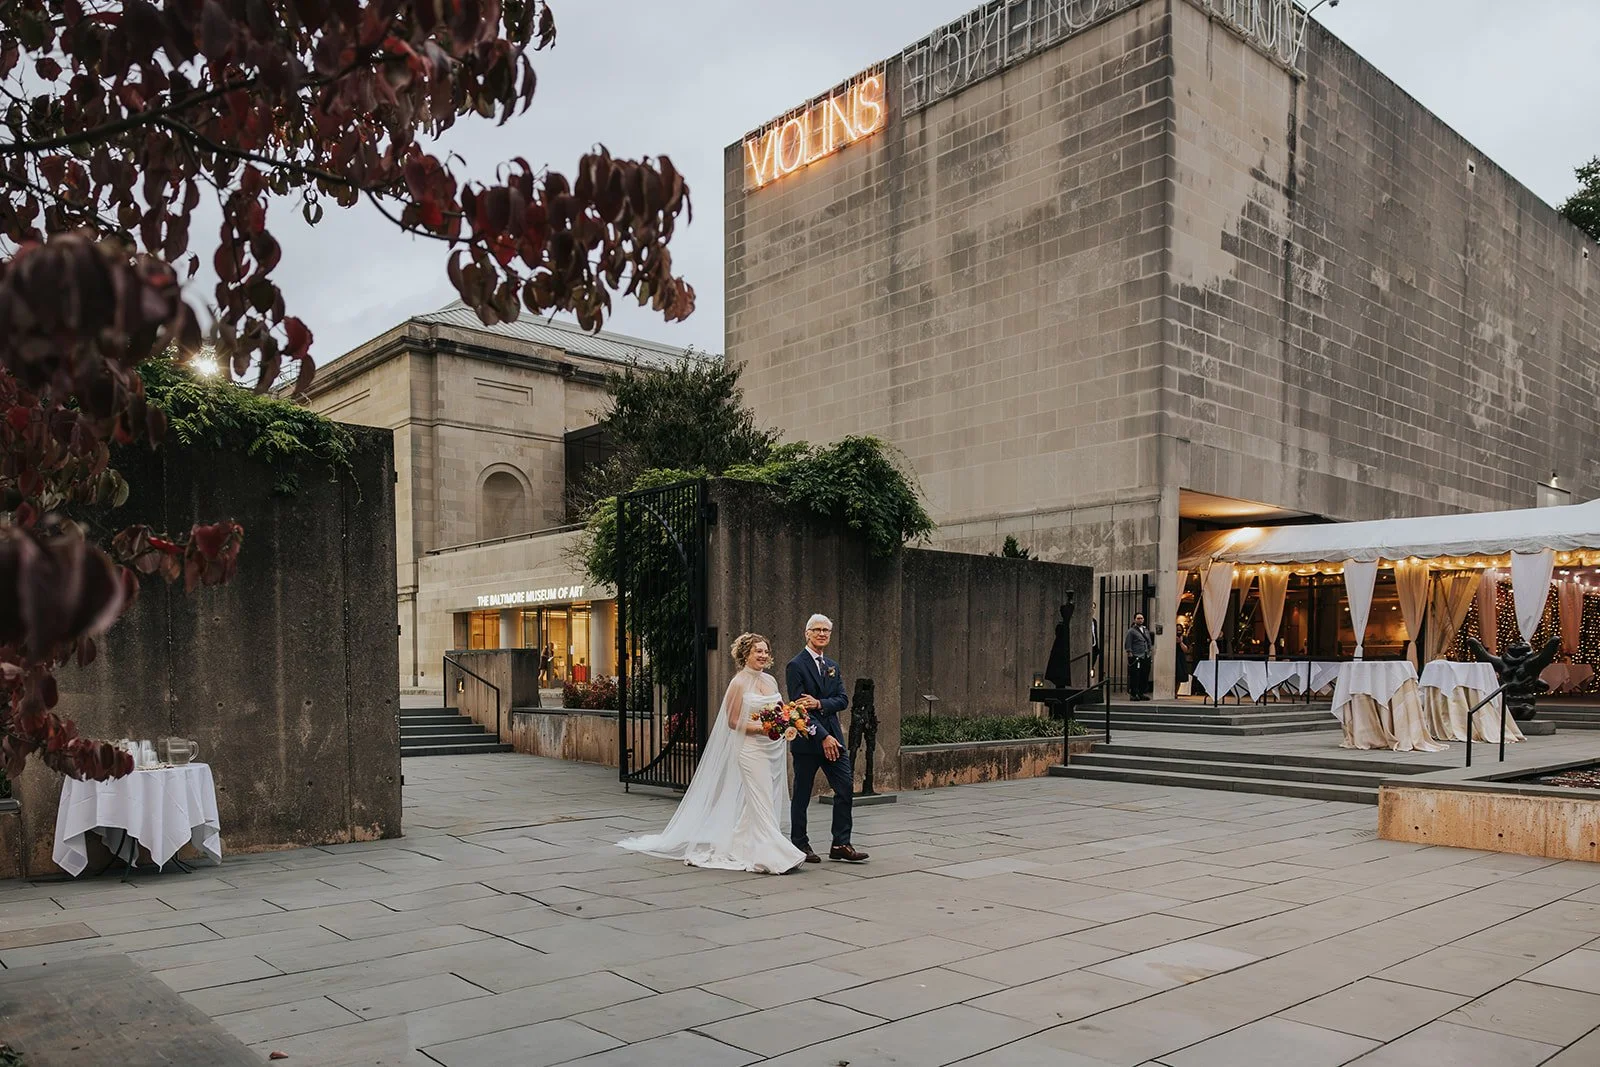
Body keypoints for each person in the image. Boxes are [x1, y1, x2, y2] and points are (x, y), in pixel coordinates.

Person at [618, 633, 805, 874]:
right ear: (745, 654)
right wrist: (764, 728)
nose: (762, 655)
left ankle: (742, 845)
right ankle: (773, 854)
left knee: (759, 800)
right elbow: (733, 721)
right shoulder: (738, 683)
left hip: (770, 749)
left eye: (765, 651)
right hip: (749, 750)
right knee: (763, 799)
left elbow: (778, 711)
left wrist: (785, 721)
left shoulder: (770, 681)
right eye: (757, 651)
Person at [787, 614, 868, 863]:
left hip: (834, 741)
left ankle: (840, 843)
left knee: (845, 788)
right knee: (802, 794)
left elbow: (843, 700)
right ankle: (800, 845)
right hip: (808, 741)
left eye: (826, 631)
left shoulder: (832, 665)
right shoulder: (796, 665)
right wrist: (823, 737)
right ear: (807, 633)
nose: (822, 634)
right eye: (817, 630)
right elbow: (799, 708)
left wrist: (820, 702)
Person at [1125, 612, 1155, 701]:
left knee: (1144, 675)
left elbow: (1149, 641)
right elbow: (1128, 643)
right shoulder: (1131, 631)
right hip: (1136, 655)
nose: (1140, 620)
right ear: (1135, 620)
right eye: (1138, 618)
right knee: (1135, 675)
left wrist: (1149, 652)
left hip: (1146, 655)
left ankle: (1141, 692)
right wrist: (1130, 653)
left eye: (1141, 618)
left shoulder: (1146, 630)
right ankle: (1134, 693)